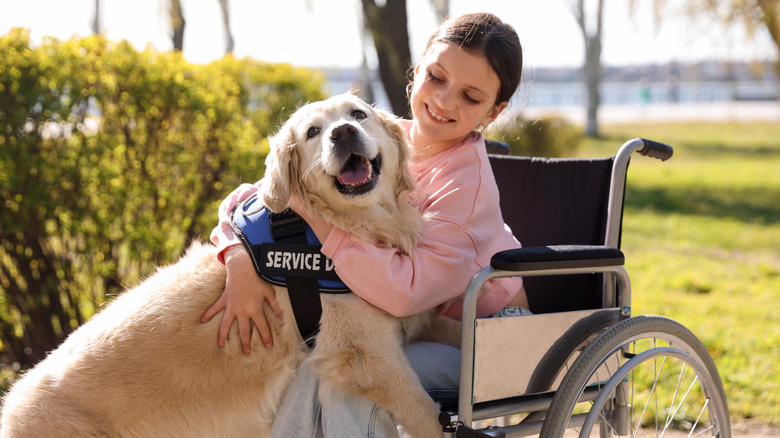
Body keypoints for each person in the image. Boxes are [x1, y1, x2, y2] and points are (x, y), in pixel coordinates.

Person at [202, 12, 529, 437]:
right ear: (417, 71)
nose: (445, 101)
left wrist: (320, 222)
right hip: (419, 324)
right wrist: (239, 255)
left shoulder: (466, 190)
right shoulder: (381, 134)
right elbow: (254, 196)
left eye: (470, 96)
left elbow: (406, 292)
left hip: (485, 335)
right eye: (437, 77)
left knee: (352, 379)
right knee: (320, 367)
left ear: (494, 111)